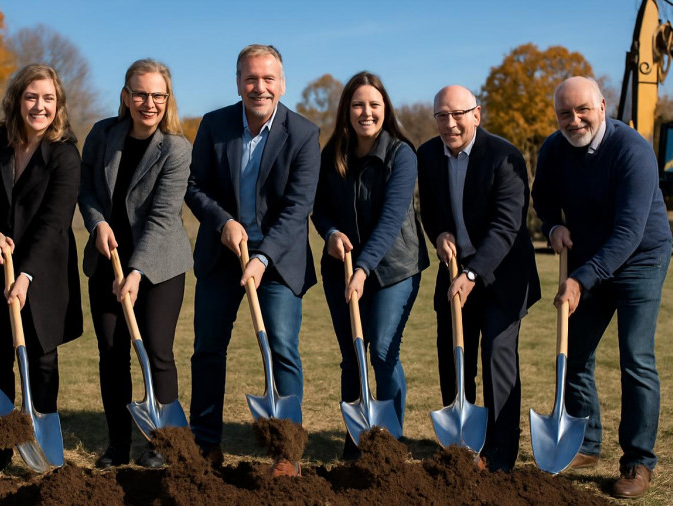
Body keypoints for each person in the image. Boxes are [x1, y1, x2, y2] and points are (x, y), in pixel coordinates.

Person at [532, 76, 671, 498]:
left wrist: (579, 280)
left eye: (582, 111)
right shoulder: (554, 149)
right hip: (589, 258)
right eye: (564, 113)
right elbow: (542, 199)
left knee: (636, 358)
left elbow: (629, 231)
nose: (574, 120)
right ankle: (587, 444)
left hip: (640, 259)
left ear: (602, 106)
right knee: (574, 354)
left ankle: (638, 462)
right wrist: (553, 224)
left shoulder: (632, 150)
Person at [185, 44, 320, 477]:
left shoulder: (303, 134)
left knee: (281, 349)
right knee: (207, 350)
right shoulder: (214, 125)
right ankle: (205, 444)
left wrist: (262, 258)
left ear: (282, 83)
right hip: (222, 256)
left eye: (268, 79)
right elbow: (193, 185)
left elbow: (298, 207)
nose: (259, 87)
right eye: (250, 78)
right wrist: (222, 221)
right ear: (238, 81)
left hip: (278, 262)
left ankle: (286, 452)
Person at [0, 64, 82, 476]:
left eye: (48, 99)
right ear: (17, 100)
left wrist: (26, 275)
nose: (40, 106)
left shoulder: (64, 153)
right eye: (32, 97)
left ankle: (41, 441)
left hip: (43, 270)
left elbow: (54, 220)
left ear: (58, 104)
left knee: (42, 359)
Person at [417, 85, 540, 472]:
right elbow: (431, 210)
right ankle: (464, 447)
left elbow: (507, 227)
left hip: (502, 276)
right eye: (441, 115)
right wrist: (438, 234)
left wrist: (472, 273)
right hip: (454, 273)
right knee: (454, 356)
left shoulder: (504, 157)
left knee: (496, 359)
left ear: (476, 114)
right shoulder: (427, 155)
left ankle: (501, 456)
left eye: (458, 114)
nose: (449, 123)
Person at [78, 59, 192, 470]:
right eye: (140, 94)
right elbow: (86, 186)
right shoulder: (102, 134)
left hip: (159, 265)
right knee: (112, 353)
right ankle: (118, 443)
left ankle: (163, 441)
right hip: (107, 259)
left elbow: (163, 217)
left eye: (157, 95)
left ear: (167, 99)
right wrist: (98, 223)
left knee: (157, 351)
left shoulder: (176, 148)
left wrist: (137, 272)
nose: (149, 103)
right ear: (125, 96)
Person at [311, 72, 428, 459]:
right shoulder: (332, 156)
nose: (366, 112)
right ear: (346, 110)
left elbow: (392, 219)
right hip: (341, 267)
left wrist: (363, 270)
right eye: (358, 104)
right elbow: (319, 209)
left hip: (393, 268)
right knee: (352, 354)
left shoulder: (401, 155)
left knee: (381, 353)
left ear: (385, 110)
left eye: (374, 105)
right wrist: (329, 233)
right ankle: (356, 437)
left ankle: (390, 441)